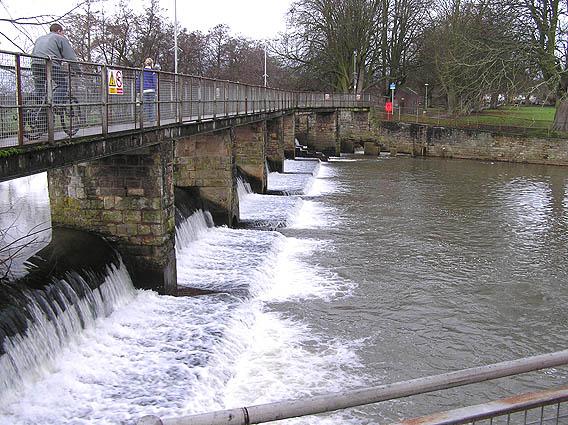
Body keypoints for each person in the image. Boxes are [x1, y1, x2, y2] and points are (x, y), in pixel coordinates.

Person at [31, 23, 77, 106]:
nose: (63, 34)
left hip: (35, 64)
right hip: (50, 64)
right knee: (62, 84)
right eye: (63, 32)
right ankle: (54, 104)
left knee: (40, 89)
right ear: (59, 31)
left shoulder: (39, 39)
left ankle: (39, 111)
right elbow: (71, 57)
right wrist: (77, 70)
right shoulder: (60, 38)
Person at [137, 58, 158, 122]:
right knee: (151, 106)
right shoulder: (153, 72)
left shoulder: (141, 72)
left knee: (144, 105)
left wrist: (138, 91)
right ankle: (151, 120)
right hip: (151, 90)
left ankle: (141, 119)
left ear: (145, 63)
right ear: (152, 64)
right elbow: (155, 82)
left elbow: (138, 82)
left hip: (144, 91)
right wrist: (156, 90)